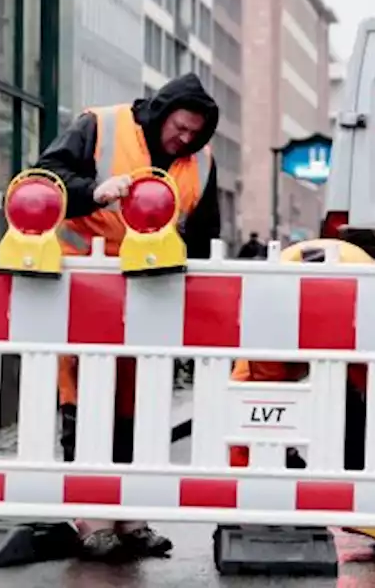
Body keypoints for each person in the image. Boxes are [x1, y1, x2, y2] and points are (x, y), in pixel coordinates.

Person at [35, 72, 220, 561]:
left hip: (149, 295)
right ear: (162, 113)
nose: (185, 139)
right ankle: (91, 519)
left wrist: (198, 302)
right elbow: (42, 180)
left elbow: (204, 237)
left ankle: (130, 516)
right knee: (85, 402)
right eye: (180, 128)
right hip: (85, 290)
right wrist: (93, 191)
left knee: (137, 410)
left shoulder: (199, 161)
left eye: (195, 133)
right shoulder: (99, 126)